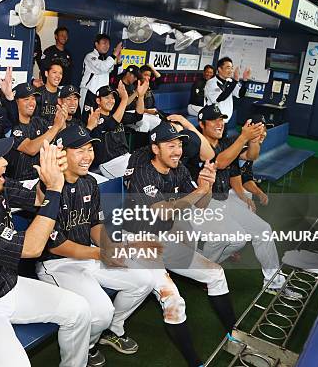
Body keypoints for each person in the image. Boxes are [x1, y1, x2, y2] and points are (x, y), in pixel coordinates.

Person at [0, 129, 92, 367]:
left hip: (8, 285)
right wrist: (55, 189)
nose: (5, 161)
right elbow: (31, 247)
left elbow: (38, 199)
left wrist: (50, 178)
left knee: (80, 310)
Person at [37, 125, 156, 366]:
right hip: (57, 264)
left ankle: (111, 330)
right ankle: (85, 349)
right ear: (61, 153)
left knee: (145, 280)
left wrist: (109, 247)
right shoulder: (47, 187)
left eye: (90, 149)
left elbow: (95, 224)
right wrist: (101, 254)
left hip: (88, 256)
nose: (88, 156)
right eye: (79, 150)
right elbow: (56, 245)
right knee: (101, 312)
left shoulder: (89, 182)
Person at [124, 121, 240, 366]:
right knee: (173, 298)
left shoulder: (180, 170)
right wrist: (198, 193)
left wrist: (206, 186)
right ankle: (195, 362)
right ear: (155, 149)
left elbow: (201, 204)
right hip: (137, 241)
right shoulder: (144, 173)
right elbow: (164, 212)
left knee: (216, 274)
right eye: (170, 145)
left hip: (164, 239)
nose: (177, 151)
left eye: (179, 145)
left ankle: (235, 334)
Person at [190, 105, 299, 298]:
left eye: (221, 119)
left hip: (223, 199)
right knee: (232, 238)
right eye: (214, 120)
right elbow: (220, 162)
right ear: (201, 123)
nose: (219, 123)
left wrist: (254, 140)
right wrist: (243, 138)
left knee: (263, 230)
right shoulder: (195, 144)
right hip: (202, 204)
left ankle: (273, 281)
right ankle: (202, 271)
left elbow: (251, 155)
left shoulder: (225, 142)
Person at [8, 82, 66, 182]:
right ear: (16, 102)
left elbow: (59, 137)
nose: (32, 103)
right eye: (26, 99)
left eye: (33, 98)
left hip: (41, 178)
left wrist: (62, 120)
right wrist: (56, 126)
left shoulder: (38, 121)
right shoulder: (11, 126)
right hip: (18, 184)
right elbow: (31, 149)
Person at [90, 83, 131, 179]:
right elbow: (111, 125)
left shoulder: (117, 115)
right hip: (108, 163)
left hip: (125, 157)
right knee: (135, 176)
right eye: (107, 97)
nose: (111, 101)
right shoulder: (95, 117)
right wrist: (124, 99)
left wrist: (140, 95)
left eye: (112, 98)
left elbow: (138, 116)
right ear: (98, 100)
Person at [79, 34, 123, 114]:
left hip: (103, 95)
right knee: (86, 120)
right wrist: (114, 54)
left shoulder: (107, 59)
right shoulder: (90, 56)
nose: (106, 46)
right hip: (89, 93)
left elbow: (117, 72)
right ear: (96, 44)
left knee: (100, 120)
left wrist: (118, 59)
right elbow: (102, 67)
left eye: (108, 44)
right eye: (104, 43)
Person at [204, 57, 250, 123]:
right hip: (213, 119)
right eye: (228, 68)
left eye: (232, 68)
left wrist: (245, 81)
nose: (231, 71)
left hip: (225, 120)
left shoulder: (230, 81)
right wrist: (235, 81)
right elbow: (219, 98)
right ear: (219, 69)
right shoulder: (211, 82)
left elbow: (240, 94)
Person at [37, 59, 64, 126]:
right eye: (54, 72)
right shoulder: (37, 93)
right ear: (46, 73)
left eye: (60, 73)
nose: (58, 76)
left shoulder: (63, 95)